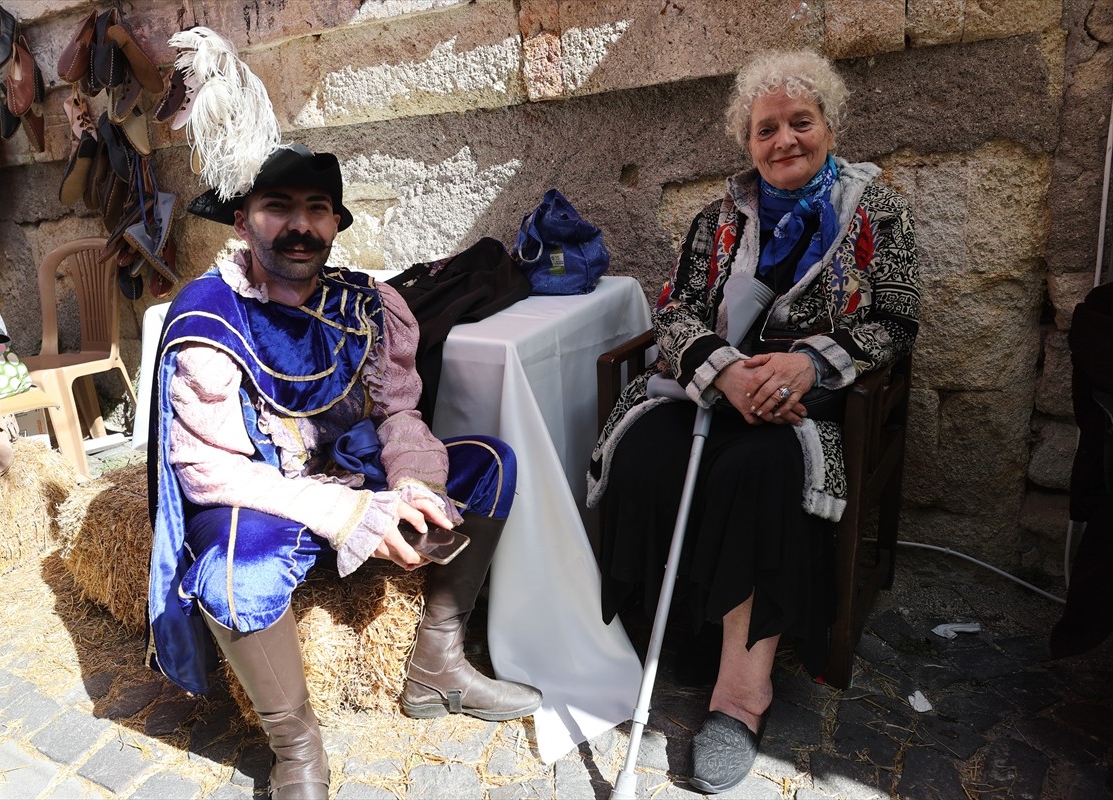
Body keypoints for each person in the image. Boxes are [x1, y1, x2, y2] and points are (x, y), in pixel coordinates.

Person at [146, 144, 542, 800]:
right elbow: (207, 470)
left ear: (334, 223)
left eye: (317, 210)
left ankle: (437, 664)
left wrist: (417, 484)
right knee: (230, 576)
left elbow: (399, 414)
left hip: (354, 477)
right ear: (242, 220)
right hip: (262, 497)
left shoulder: (368, 305)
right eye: (279, 208)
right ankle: (296, 747)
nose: (300, 226)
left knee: (490, 466)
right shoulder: (210, 316)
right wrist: (350, 515)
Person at [588, 50, 919, 793]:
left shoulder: (875, 211)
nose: (784, 141)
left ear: (829, 127)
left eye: (801, 122)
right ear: (748, 141)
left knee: (758, 471)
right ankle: (673, 633)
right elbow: (675, 310)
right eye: (766, 129)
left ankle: (740, 693)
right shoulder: (718, 217)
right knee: (643, 452)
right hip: (714, 388)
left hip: (806, 403)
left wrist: (809, 363)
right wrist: (725, 370)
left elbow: (898, 319)